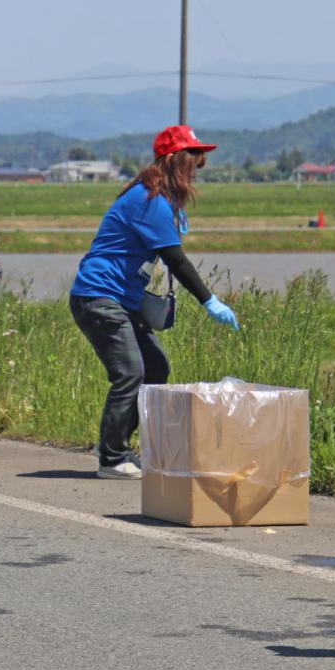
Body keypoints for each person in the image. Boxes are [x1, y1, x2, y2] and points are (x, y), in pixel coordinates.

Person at [70, 125, 240, 480]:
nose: (196, 169)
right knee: (130, 373)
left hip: (120, 300)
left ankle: (115, 445)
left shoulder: (158, 198)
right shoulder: (149, 200)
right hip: (98, 296)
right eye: (193, 160)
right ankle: (112, 459)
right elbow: (176, 259)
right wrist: (211, 301)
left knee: (156, 368)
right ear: (176, 160)